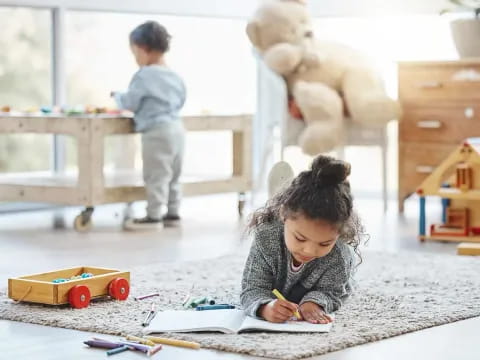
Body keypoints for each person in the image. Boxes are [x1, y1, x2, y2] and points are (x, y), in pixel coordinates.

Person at [241, 155, 364, 323]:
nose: (310, 251)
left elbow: (334, 292)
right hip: (278, 226)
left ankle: (284, 198)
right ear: (284, 215)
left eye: (324, 243)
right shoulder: (266, 237)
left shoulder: (340, 254)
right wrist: (265, 307)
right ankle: (277, 194)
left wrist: (314, 303)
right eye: (300, 238)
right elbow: (252, 288)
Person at [112, 21, 186, 230]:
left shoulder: (144, 75)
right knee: (174, 174)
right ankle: (173, 212)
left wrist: (117, 97)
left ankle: (153, 216)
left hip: (156, 132)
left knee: (156, 175)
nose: (135, 59)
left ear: (143, 49)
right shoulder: (175, 76)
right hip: (177, 129)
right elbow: (181, 100)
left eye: (134, 53)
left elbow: (131, 102)